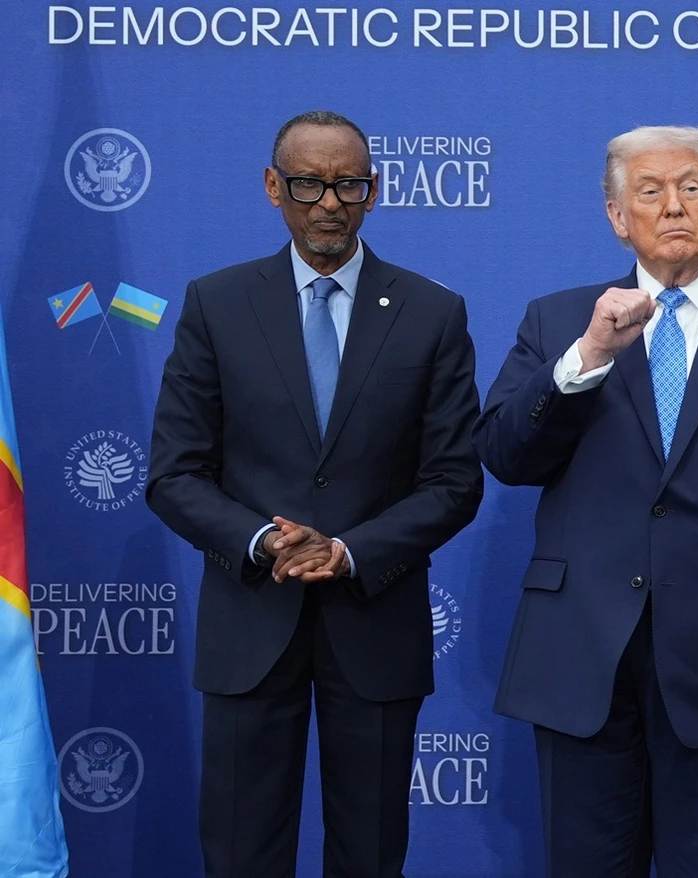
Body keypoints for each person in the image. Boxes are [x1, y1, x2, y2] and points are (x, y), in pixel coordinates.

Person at [474, 125, 698, 877]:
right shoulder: (559, 322)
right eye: (650, 192)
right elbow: (506, 457)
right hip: (580, 656)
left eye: (691, 188)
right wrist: (586, 358)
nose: (673, 206)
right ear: (618, 217)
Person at [146, 110, 484, 877]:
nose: (329, 203)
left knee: (370, 856)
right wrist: (266, 541)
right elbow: (173, 473)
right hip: (250, 624)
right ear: (274, 187)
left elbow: (454, 481)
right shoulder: (218, 304)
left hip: (376, 625)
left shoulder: (432, 313)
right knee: (240, 855)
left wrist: (348, 551)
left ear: (374, 191)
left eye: (348, 185)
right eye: (308, 184)